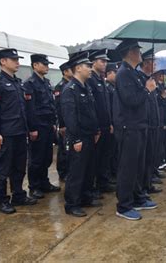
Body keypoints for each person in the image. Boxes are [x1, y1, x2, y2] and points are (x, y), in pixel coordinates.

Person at [0, 48, 38, 214]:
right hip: (6, 134)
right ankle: (2, 201)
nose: (17, 62)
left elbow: (24, 109)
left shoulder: (18, 83)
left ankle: (19, 195)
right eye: (13, 59)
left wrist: (29, 129)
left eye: (17, 59)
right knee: (3, 169)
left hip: (20, 132)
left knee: (19, 167)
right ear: (3, 62)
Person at [113, 40, 158, 221]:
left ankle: (138, 198)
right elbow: (131, 100)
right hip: (129, 127)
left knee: (138, 166)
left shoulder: (133, 73)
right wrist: (147, 90)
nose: (140, 53)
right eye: (137, 50)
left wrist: (148, 86)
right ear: (130, 52)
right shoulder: (123, 74)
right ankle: (123, 206)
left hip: (139, 126)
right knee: (128, 168)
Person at [61, 51, 101, 217]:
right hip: (79, 138)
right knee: (76, 172)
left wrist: (96, 130)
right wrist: (76, 138)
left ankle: (85, 197)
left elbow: (91, 112)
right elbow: (70, 118)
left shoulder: (86, 87)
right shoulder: (70, 90)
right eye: (87, 66)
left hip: (89, 136)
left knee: (88, 170)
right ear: (78, 68)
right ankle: (72, 204)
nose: (90, 69)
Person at [24, 54, 59, 199]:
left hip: (48, 125)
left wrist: (53, 123)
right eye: (44, 64)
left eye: (47, 64)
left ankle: (44, 182)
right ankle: (34, 187)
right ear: (35, 65)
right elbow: (29, 109)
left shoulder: (46, 83)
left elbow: (51, 105)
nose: (47, 67)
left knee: (46, 157)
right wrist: (32, 129)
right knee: (36, 159)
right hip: (38, 126)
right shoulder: (29, 84)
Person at [87, 49, 116, 197]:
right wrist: (95, 127)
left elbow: (106, 104)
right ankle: (95, 186)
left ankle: (103, 182)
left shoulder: (101, 80)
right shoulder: (90, 79)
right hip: (97, 125)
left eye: (105, 61)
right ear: (93, 62)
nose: (105, 64)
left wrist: (110, 122)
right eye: (102, 61)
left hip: (106, 124)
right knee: (95, 158)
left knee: (105, 155)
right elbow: (92, 106)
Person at [138, 49, 162, 194]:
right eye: (153, 62)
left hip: (153, 124)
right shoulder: (141, 79)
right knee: (144, 159)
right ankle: (143, 187)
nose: (155, 65)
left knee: (151, 156)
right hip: (145, 124)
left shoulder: (149, 79)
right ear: (146, 63)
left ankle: (148, 183)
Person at [54, 62, 73, 181]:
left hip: (69, 123)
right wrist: (62, 125)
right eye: (71, 69)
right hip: (64, 124)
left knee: (69, 149)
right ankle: (63, 172)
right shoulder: (60, 86)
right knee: (63, 150)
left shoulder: (70, 84)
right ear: (65, 72)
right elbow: (59, 108)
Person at [105, 62, 118, 182]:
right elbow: (108, 108)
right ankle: (110, 175)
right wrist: (111, 123)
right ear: (109, 73)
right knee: (109, 151)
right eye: (115, 72)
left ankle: (114, 172)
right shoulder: (107, 87)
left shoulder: (113, 87)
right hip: (112, 123)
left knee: (115, 150)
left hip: (117, 123)